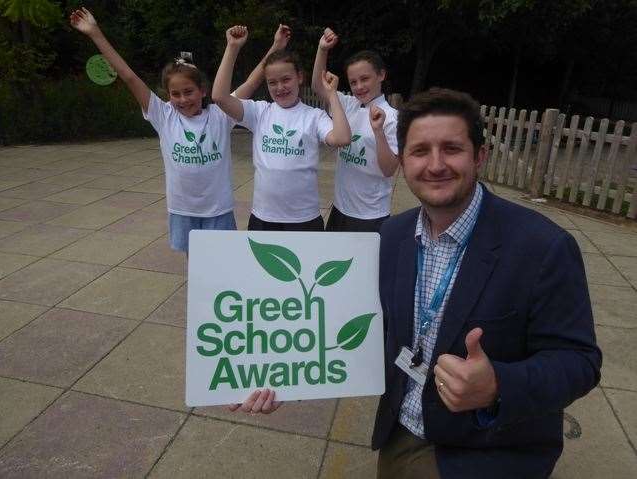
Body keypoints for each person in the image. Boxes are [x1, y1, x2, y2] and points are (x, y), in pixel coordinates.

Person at [373, 87, 602, 479]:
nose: (436, 164)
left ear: (479, 156)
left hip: (484, 451)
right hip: (401, 431)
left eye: (452, 148)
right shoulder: (392, 236)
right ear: (403, 161)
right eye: (420, 151)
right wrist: (284, 375)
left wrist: (499, 384)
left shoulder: (543, 247)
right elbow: (371, 332)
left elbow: (580, 361)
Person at [70, 8, 290, 253]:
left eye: (189, 92)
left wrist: (274, 47)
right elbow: (129, 76)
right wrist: (95, 33)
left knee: (223, 265)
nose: (183, 99)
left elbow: (251, 82)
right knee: (195, 268)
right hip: (183, 211)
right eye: (176, 94)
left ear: (203, 91)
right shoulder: (163, 115)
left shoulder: (220, 115)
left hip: (218, 209)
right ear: (168, 95)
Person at [212, 25, 351, 231]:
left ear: (300, 78)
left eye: (286, 79)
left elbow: (342, 138)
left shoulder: (313, 116)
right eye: (272, 82)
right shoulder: (259, 112)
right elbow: (219, 98)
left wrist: (332, 94)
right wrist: (232, 48)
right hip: (263, 217)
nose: (280, 87)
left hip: (304, 219)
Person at [312, 28, 399, 232]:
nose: (359, 86)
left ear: (381, 75)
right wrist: (322, 49)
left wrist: (378, 132)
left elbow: (389, 170)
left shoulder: (393, 117)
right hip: (340, 209)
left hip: (371, 215)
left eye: (364, 79)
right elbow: (318, 86)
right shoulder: (349, 105)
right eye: (353, 82)